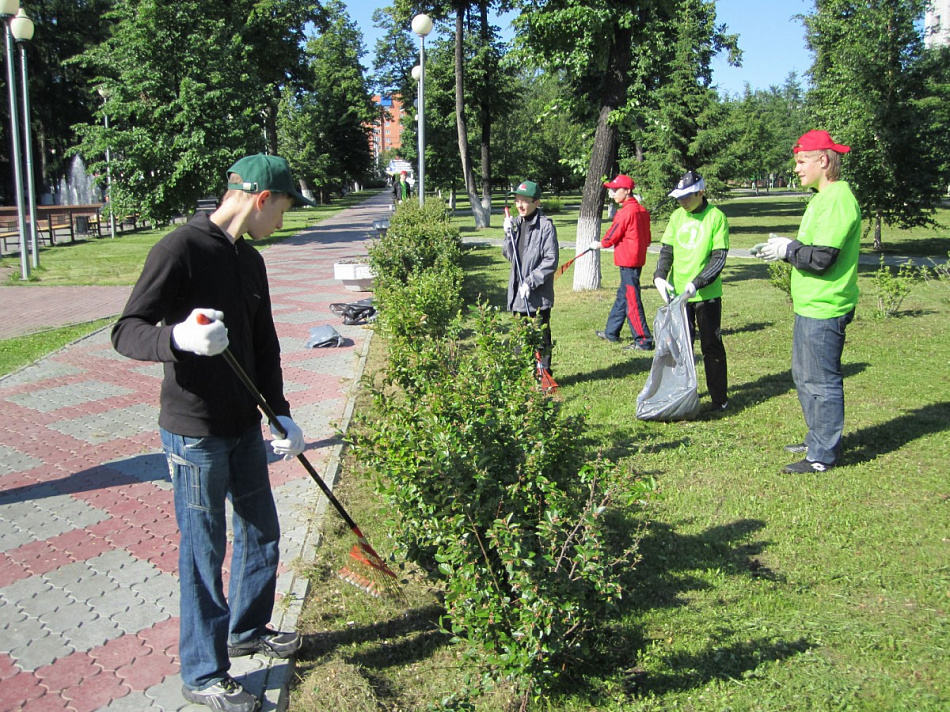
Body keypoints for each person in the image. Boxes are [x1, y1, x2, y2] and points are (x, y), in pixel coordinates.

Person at [112, 154, 313, 712]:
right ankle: (203, 673)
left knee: (262, 532)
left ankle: (247, 630)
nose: (284, 222)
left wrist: (281, 412)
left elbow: (264, 345)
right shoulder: (179, 250)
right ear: (261, 199)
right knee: (204, 551)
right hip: (194, 434)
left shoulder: (251, 262)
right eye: (286, 209)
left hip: (245, 426)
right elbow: (126, 332)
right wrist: (176, 338)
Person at [754, 130, 860, 474]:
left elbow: (822, 259)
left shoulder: (837, 200)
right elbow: (810, 252)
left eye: (802, 162)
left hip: (826, 307)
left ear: (823, 161)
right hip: (810, 305)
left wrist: (790, 249)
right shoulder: (820, 199)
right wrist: (785, 251)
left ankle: (822, 456)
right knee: (804, 376)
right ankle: (818, 438)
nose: (797, 169)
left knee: (821, 381)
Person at [654, 170, 730, 412]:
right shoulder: (677, 217)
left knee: (711, 346)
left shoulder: (716, 217)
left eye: (687, 197)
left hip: (705, 296)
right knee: (679, 347)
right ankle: (683, 395)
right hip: (678, 296)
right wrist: (659, 276)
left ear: (701, 192)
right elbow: (667, 250)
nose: (682, 201)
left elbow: (718, 258)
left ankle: (719, 399)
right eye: (679, 197)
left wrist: (698, 282)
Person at [589, 174, 654, 350]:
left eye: (616, 190)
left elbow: (613, 234)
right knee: (623, 297)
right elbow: (648, 238)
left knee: (632, 300)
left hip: (628, 260)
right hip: (636, 259)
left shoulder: (626, 212)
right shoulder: (641, 210)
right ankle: (611, 332)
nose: (612, 193)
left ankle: (643, 340)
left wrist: (600, 244)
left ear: (627, 191)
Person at [502, 180, 559, 374]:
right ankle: (524, 375)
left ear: (537, 203)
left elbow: (550, 260)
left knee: (540, 335)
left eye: (525, 201)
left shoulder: (545, 227)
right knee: (520, 335)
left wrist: (530, 282)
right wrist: (507, 235)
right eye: (517, 200)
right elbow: (510, 255)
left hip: (538, 295)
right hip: (518, 293)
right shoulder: (516, 223)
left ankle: (544, 374)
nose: (520, 205)